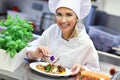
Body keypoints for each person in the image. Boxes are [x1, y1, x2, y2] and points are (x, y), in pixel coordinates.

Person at [26, 0, 100, 75]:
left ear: (77, 18)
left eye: (68, 15)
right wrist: (34, 53)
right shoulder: (52, 31)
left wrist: (82, 69)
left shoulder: (85, 43)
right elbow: (30, 48)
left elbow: (94, 71)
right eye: (59, 14)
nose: (63, 20)